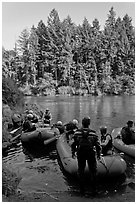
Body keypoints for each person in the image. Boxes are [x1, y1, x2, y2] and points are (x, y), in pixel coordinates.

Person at [71, 116, 101, 196]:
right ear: (89, 123)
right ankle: (94, 190)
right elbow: (98, 145)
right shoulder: (93, 133)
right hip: (90, 153)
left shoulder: (77, 133)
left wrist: (73, 153)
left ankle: (82, 190)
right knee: (93, 171)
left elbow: (74, 144)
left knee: (81, 170)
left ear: (82, 123)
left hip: (81, 153)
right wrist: (98, 155)